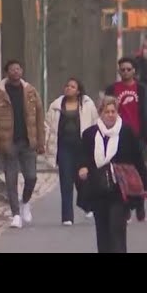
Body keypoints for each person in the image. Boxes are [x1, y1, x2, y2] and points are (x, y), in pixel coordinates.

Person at [77, 96, 147, 253]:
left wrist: (145, 183)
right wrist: (82, 167)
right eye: (107, 111)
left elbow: (137, 159)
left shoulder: (126, 132)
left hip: (119, 190)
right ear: (100, 113)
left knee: (117, 229)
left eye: (113, 111)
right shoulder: (90, 134)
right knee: (102, 232)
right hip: (98, 189)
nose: (110, 115)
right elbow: (83, 156)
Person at [0, 60, 45, 229]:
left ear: (22, 71)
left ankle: (25, 202)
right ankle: (16, 215)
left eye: (18, 68)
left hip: (28, 141)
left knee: (31, 177)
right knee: (11, 180)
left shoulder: (31, 92)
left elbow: (39, 118)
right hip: (8, 143)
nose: (16, 72)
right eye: (12, 69)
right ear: (7, 73)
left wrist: (41, 141)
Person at [105, 57, 147, 222]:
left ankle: (140, 205)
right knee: (121, 173)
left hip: (138, 137)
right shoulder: (112, 89)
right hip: (118, 137)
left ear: (134, 71)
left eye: (128, 69)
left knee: (139, 172)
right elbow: (105, 111)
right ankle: (125, 208)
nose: (125, 72)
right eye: (123, 69)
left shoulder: (141, 89)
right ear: (119, 71)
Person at [45, 77, 98, 225]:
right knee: (65, 181)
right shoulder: (56, 106)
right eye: (67, 85)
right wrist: (46, 143)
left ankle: (87, 204)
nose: (68, 88)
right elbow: (48, 126)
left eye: (72, 86)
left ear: (79, 90)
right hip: (64, 148)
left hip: (82, 147)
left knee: (82, 179)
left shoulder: (88, 105)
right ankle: (67, 217)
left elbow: (95, 124)